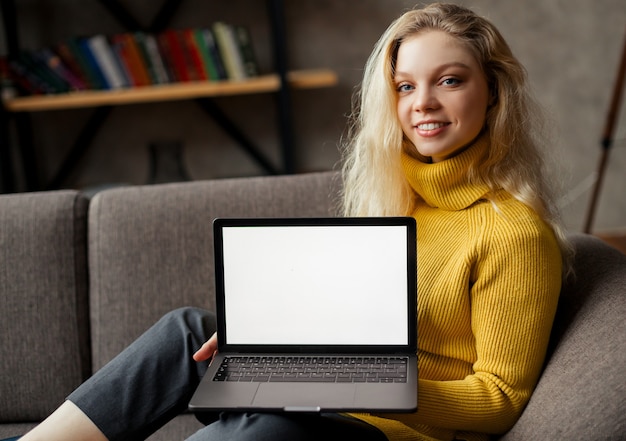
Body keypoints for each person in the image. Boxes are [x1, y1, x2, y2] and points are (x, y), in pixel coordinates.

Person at [20, 3, 572, 441]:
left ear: (493, 91)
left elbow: (500, 400)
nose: (422, 103)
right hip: (330, 403)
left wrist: (353, 386)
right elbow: (358, 334)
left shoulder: (513, 233)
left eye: (449, 81)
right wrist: (271, 345)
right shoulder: (399, 201)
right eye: (405, 86)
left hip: (389, 430)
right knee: (187, 332)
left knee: (264, 426)